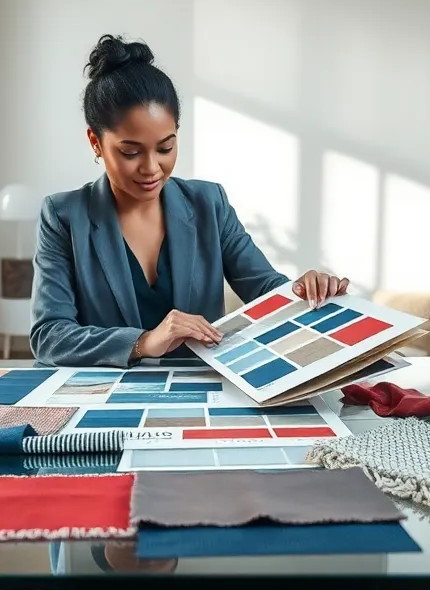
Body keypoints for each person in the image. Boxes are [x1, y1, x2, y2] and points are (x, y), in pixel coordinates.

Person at [30, 35, 350, 367]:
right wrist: (144, 342)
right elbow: (49, 336)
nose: (152, 168)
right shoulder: (64, 216)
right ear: (95, 142)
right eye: (130, 152)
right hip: (110, 396)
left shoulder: (208, 203)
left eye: (166, 148)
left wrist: (304, 292)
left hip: (205, 392)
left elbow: (265, 287)